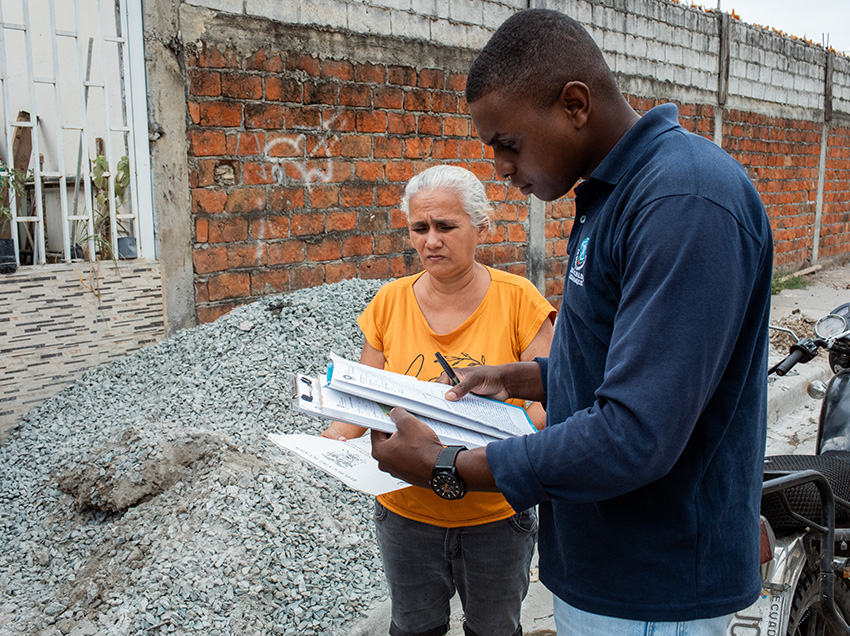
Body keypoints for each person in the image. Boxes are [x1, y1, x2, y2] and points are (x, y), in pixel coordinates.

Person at [371, 8, 774, 636]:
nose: (500, 168)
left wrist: (452, 466)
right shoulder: (614, 195)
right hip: (604, 565)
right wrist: (530, 377)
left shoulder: (682, 202)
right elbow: (628, 360)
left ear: (575, 105)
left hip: (652, 587)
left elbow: (635, 431)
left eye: (507, 143)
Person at [321, 164, 556, 636]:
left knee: (494, 629)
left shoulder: (519, 301)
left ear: (481, 228)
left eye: (446, 227)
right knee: (413, 627)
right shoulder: (388, 303)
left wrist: (520, 437)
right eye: (420, 228)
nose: (431, 240)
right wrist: (329, 439)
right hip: (407, 513)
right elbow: (366, 398)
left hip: (496, 516)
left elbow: (548, 400)